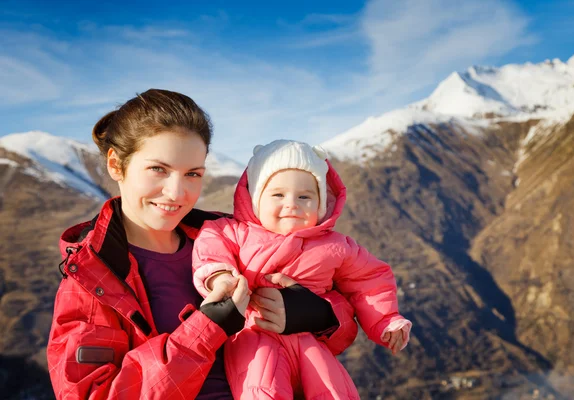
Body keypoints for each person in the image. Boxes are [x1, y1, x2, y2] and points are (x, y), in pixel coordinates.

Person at [46, 90, 358, 400]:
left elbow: (343, 319)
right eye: (159, 169)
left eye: (192, 174)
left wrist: (323, 316)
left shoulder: (226, 238)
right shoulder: (94, 281)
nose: (176, 192)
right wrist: (204, 330)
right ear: (116, 165)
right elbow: (92, 395)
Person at [193, 139, 413, 399]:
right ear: (254, 199)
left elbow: (369, 280)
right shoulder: (234, 232)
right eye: (278, 194)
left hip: (310, 340)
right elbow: (209, 248)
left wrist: (386, 319)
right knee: (262, 387)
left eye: (305, 196)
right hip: (255, 334)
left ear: (321, 204)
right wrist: (220, 278)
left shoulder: (336, 246)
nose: (292, 204)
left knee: (332, 390)